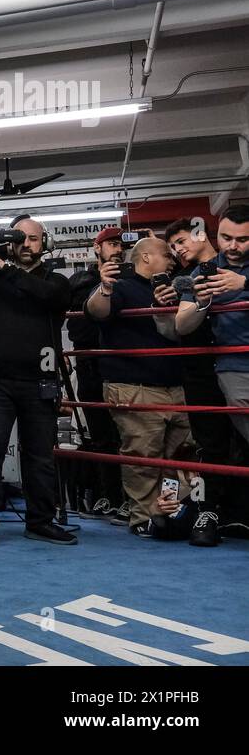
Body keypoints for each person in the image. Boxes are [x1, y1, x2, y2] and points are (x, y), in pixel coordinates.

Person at [0, 216, 76, 548]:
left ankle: (40, 521)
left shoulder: (55, 281)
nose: (27, 244)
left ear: (45, 243)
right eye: (20, 239)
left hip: (39, 378)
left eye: (33, 239)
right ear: (11, 243)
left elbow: (49, 298)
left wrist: (6, 270)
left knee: (39, 455)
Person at [86, 237, 207, 541]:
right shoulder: (122, 285)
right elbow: (96, 311)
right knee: (143, 456)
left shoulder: (173, 289)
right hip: (134, 386)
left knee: (177, 457)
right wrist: (105, 288)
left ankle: (166, 514)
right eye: (166, 254)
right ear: (145, 257)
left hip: (173, 385)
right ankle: (143, 517)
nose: (172, 260)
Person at [160, 217, 249, 535]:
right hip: (208, 370)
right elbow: (179, 326)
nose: (178, 249)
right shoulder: (189, 277)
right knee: (210, 444)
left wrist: (243, 286)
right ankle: (209, 512)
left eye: (182, 241)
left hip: (230, 363)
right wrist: (194, 302)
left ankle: (237, 511)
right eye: (172, 246)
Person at [65, 227, 125, 519]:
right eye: (111, 243)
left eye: (120, 244)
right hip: (90, 366)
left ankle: (128, 498)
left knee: (127, 433)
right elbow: (77, 328)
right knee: (101, 435)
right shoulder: (82, 281)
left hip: (122, 366)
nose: (117, 249)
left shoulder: (131, 279)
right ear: (96, 247)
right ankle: (107, 495)